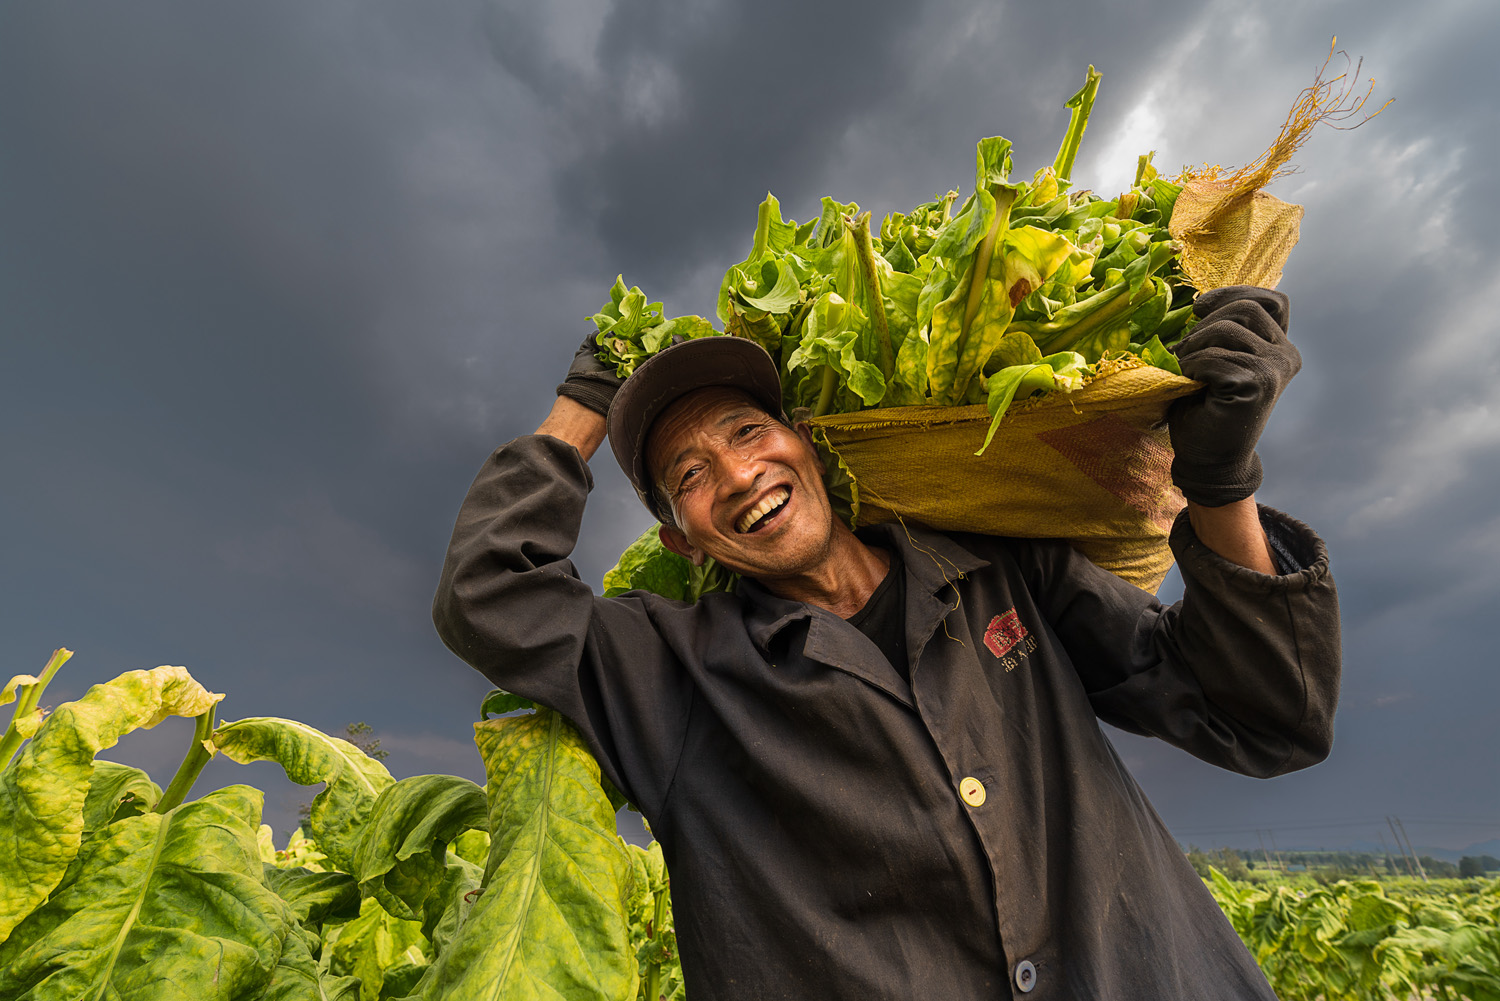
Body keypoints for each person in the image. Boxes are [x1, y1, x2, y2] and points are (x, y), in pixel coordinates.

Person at [433, 285, 1340, 1000]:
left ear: (809, 445)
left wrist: (1220, 481)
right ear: (686, 540)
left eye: (749, 430)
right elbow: (487, 592)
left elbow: (1262, 716)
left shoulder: (996, 567)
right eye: (691, 477)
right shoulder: (672, 673)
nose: (740, 473)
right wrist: (581, 407)